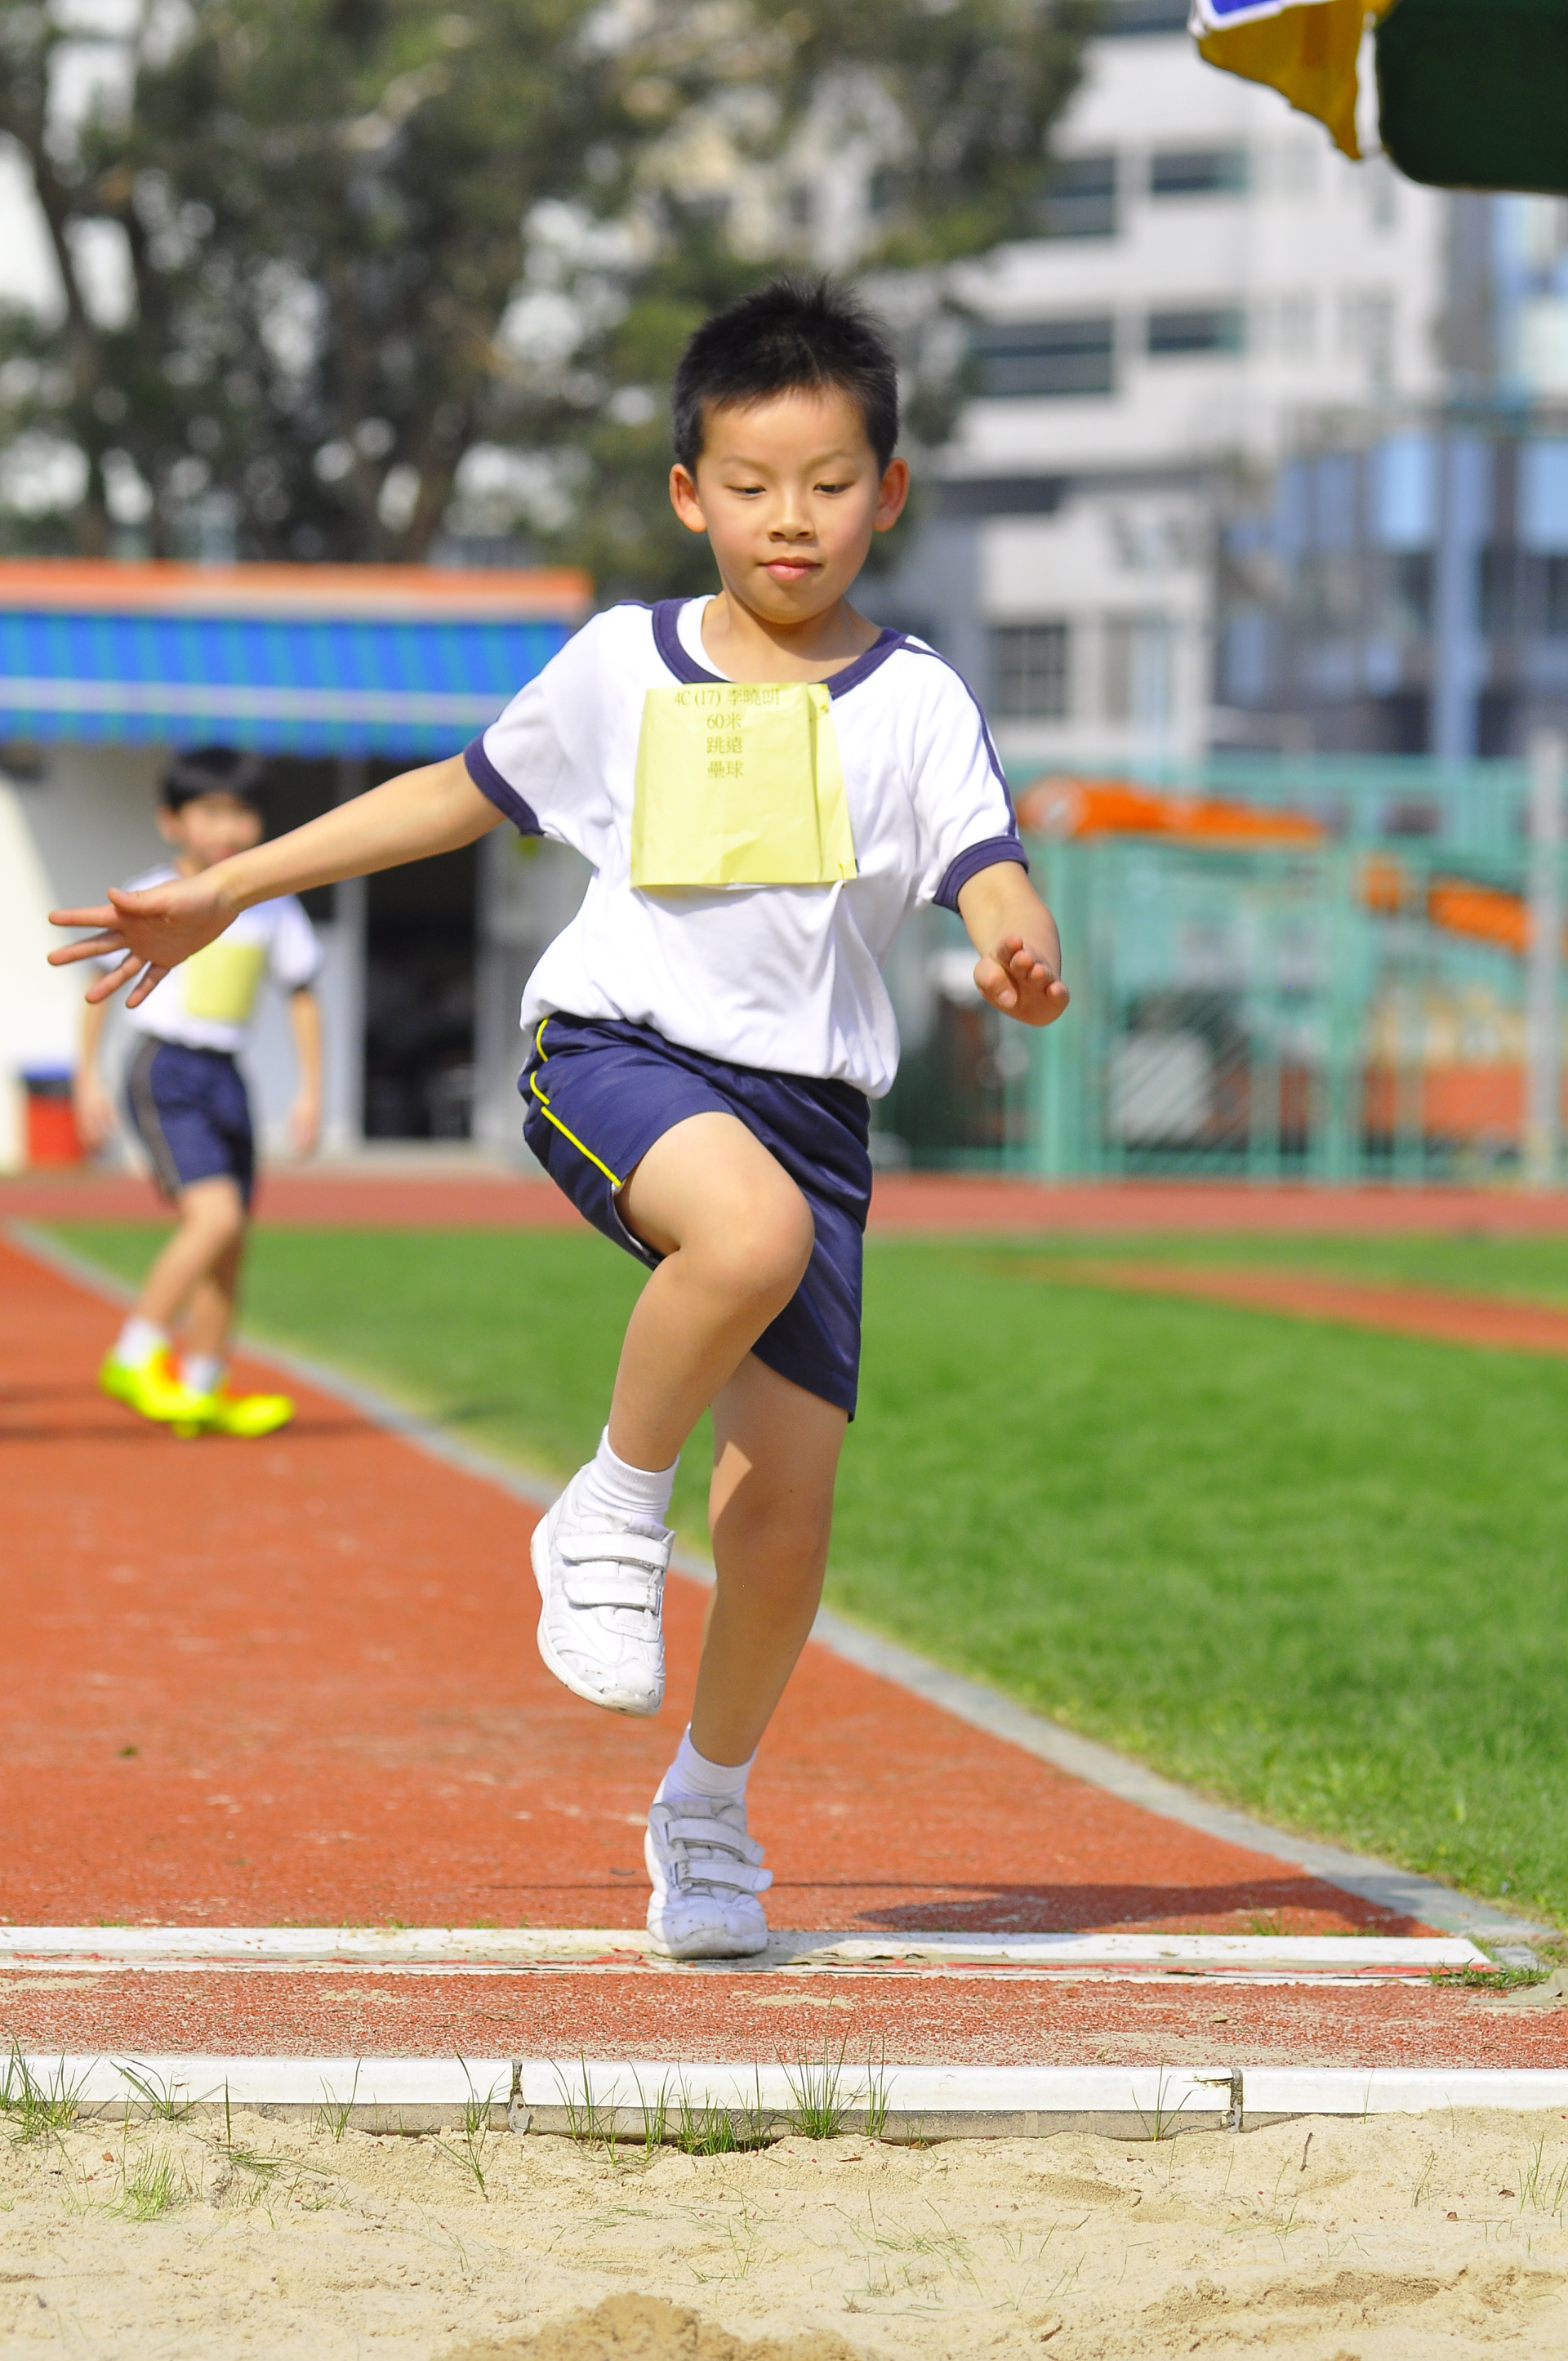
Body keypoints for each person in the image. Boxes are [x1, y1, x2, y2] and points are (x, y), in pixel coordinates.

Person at [49, 278, 1067, 1956]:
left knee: (786, 1516)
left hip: (814, 1106)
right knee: (743, 1231)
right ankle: (607, 1503)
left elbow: (986, 857)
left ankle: (708, 1810)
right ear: (688, 493)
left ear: (889, 491)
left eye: (829, 483)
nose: (791, 517)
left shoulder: (919, 698)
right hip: (617, 1051)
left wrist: (1017, 933)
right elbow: (452, 795)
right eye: (751, 483)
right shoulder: (620, 666)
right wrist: (228, 885)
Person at [74, 745, 323, 1439]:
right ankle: (133, 1354)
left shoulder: (271, 904)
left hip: (227, 1073)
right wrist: (85, 1079)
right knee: (213, 1218)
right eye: (210, 811)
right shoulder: (151, 896)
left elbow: (303, 992)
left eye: (243, 812)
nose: (229, 827)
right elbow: (99, 986)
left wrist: (310, 1091)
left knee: (232, 1238)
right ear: (172, 821)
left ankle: (202, 1386)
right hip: (166, 1067)